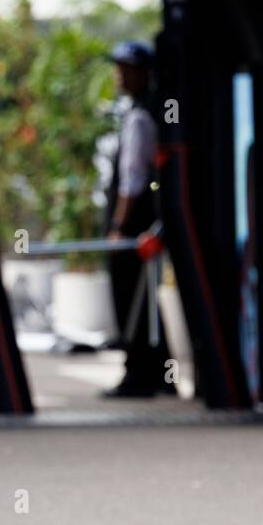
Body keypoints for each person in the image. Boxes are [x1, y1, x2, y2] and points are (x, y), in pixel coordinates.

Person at [101, 40, 175, 398]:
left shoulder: (140, 116)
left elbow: (133, 178)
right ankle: (160, 371)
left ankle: (139, 373)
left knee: (130, 295)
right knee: (144, 296)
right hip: (141, 221)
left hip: (132, 225)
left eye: (127, 68)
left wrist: (118, 227)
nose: (120, 74)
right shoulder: (142, 109)